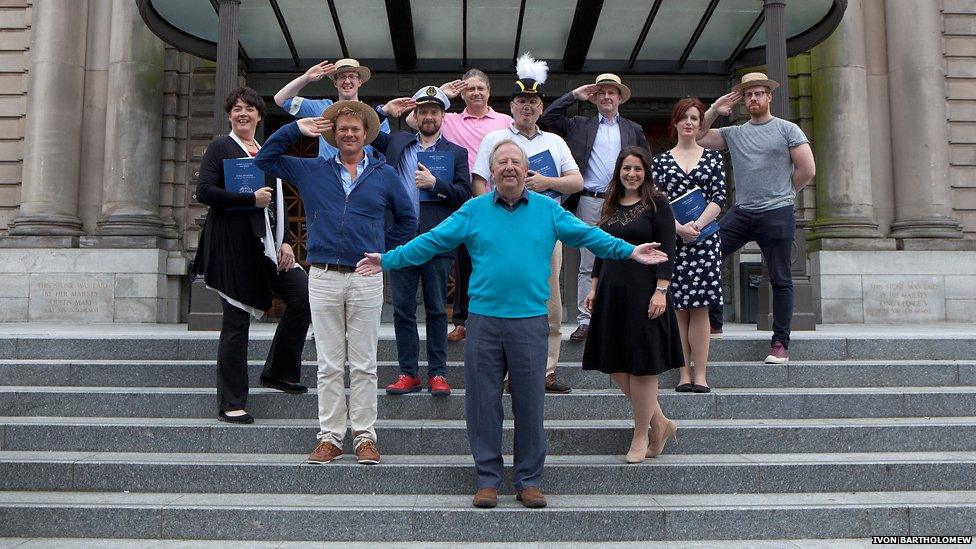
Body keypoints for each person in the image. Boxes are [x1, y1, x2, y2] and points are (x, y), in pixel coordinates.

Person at [356, 139, 668, 509]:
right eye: (501, 162)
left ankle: (528, 479)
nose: (509, 168)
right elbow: (431, 241)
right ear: (491, 171)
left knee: (530, 403)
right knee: (482, 403)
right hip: (485, 322)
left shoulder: (546, 210)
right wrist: (387, 260)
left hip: (530, 323)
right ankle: (487, 478)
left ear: (526, 171)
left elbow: (590, 236)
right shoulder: (473, 210)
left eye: (516, 162)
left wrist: (630, 250)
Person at [254, 101, 417, 466]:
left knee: (364, 363)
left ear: (366, 134)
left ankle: (364, 438)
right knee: (329, 364)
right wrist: (295, 129)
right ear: (332, 132)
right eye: (342, 128)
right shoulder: (313, 170)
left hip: (365, 276)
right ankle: (329, 437)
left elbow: (407, 219)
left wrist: (382, 253)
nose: (348, 134)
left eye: (354, 129)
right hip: (324, 275)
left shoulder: (384, 173)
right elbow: (264, 160)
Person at [192, 87, 311, 424]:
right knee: (235, 325)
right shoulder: (220, 147)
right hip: (233, 248)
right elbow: (205, 191)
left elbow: (276, 204)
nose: (242, 113)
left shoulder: (265, 151)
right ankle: (231, 402)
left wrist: (287, 240)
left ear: (259, 116)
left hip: (270, 247)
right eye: (236, 109)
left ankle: (278, 371)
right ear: (230, 115)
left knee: (303, 295)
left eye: (249, 109)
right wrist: (248, 201)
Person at [471, 54, 583, 393]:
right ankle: (507, 371)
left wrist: (548, 183)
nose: (527, 107)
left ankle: (545, 370)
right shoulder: (496, 140)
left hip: (544, 232)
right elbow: (479, 181)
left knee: (549, 301)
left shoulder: (554, 142)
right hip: (500, 228)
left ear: (540, 105)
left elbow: (577, 182)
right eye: (521, 101)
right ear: (512, 104)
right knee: (503, 300)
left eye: (533, 102)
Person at [697, 72, 816, 364]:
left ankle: (780, 344)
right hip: (743, 211)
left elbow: (807, 169)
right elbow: (698, 136)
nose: (753, 98)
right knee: (706, 252)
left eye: (758, 93)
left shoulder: (787, 129)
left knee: (780, 277)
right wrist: (714, 110)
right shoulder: (734, 132)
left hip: (777, 212)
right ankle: (715, 322)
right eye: (748, 94)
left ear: (769, 97)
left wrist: (785, 193)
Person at [582, 147, 682, 463]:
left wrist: (660, 291)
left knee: (642, 365)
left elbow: (668, 250)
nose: (632, 174)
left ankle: (641, 435)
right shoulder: (610, 205)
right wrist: (594, 286)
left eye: (638, 169)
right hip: (612, 293)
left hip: (645, 292)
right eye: (627, 168)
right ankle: (660, 422)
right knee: (614, 363)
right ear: (618, 171)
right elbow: (602, 249)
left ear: (646, 172)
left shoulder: (657, 205)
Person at [371, 86, 471, 395]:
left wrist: (436, 184)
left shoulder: (456, 152)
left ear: (442, 116)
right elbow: (370, 132)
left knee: (437, 310)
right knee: (402, 309)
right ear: (416, 116)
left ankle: (438, 373)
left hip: (436, 240)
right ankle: (408, 372)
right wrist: (385, 111)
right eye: (423, 111)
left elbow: (465, 195)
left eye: (434, 112)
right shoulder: (398, 142)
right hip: (401, 239)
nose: (428, 116)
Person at [405, 69, 514, 343]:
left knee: (498, 260)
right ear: (462, 93)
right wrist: (443, 91)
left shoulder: (505, 121)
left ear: (489, 92)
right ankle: (462, 321)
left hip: (502, 200)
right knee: (464, 263)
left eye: (480, 88)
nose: (475, 93)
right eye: (469, 89)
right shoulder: (450, 119)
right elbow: (413, 117)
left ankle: (499, 316)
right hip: (463, 199)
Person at [541, 73, 651, 343]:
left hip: (625, 201)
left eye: (611, 92)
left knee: (628, 258)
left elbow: (646, 165)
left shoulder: (633, 129)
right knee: (588, 264)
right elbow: (547, 118)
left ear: (619, 98)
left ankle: (624, 317)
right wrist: (574, 95)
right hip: (589, 200)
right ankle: (585, 320)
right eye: (601, 93)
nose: (606, 97)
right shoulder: (579, 124)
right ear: (594, 98)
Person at [653, 98, 726, 393]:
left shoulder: (713, 158)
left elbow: (719, 198)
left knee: (701, 309)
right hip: (674, 242)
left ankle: (702, 375)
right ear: (675, 123)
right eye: (684, 118)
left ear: (700, 124)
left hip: (705, 240)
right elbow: (656, 203)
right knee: (678, 308)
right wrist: (678, 228)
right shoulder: (660, 161)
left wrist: (696, 226)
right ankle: (683, 374)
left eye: (694, 118)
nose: (689, 123)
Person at [272, 58, 397, 159]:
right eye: (342, 77)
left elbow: (386, 155)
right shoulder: (322, 108)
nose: (347, 81)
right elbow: (280, 99)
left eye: (352, 76)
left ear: (360, 81)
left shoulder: (374, 116)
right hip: (327, 180)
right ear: (335, 83)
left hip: (363, 181)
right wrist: (306, 78)